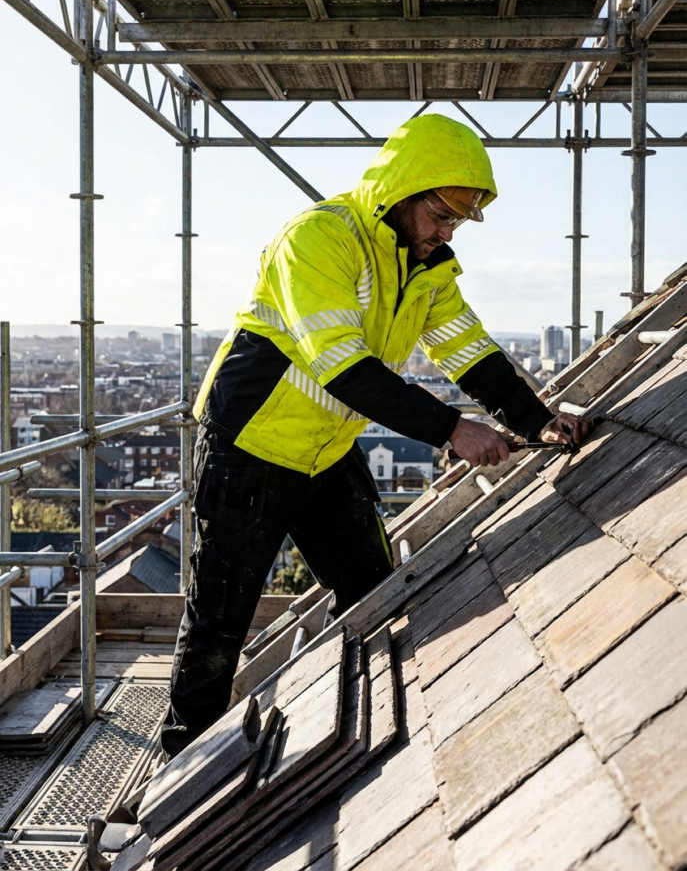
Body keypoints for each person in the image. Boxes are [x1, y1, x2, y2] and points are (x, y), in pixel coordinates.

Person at [161, 114, 588, 757]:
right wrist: (450, 429)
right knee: (220, 623)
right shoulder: (319, 240)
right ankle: (179, 772)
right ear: (403, 193)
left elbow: (470, 353)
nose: (445, 234)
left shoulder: (426, 267)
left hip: (326, 453)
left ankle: (343, 727)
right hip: (249, 453)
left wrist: (538, 420)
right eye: (441, 216)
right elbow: (343, 368)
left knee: (375, 593)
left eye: (456, 223)